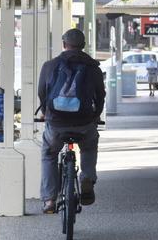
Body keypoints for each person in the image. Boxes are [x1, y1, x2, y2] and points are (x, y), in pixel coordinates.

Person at [38, 29, 106, 214]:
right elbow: (100, 95)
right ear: (83, 46)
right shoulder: (93, 68)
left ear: (63, 44)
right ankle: (87, 178)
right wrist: (95, 115)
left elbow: (42, 94)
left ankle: (50, 200)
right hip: (84, 123)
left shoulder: (50, 66)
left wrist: (47, 114)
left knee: (49, 154)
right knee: (89, 146)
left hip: (57, 124)